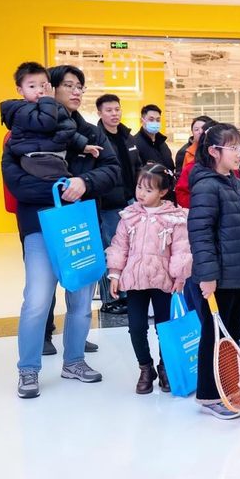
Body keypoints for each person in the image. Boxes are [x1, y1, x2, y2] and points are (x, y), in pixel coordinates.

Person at [2, 64, 120, 398]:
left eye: (80, 86)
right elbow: (16, 183)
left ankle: (75, 361)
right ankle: (28, 369)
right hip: (39, 225)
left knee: (81, 300)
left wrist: (85, 182)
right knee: (37, 299)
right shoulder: (20, 133)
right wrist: (61, 189)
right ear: (48, 89)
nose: (76, 91)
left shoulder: (90, 133)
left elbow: (112, 170)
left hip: (80, 225)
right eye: (69, 85)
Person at [188, 123, 240, 419]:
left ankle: (229, 388)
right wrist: (207, 276)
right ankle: (209, 395)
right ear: (213, 151)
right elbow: (200, 235)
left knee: (231, 337)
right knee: (213, 337)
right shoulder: (206, 186)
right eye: (233, 148)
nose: (239, 153)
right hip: (216, 279)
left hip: (238, 275)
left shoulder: (238, 184)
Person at [106, 163, 191, 394]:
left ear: (163, 192)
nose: (141, 193)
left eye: (148, 190)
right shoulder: (129, 215)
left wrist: (179, 276)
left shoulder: (175, 217)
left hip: (163, 282)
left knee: (164, 328)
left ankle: (165, 367)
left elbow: (182, 249)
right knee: (136, 327)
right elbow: (119, 245)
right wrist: (115, 273)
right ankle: (145, 368)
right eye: (139, 187)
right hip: (135, 281)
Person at [0, 62, 102, 180]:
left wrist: (83, 145)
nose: (39, 90)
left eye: (43, 86)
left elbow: (64, 132)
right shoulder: (22, 110)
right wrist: (48, 100)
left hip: (53, 157)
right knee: (62, 181)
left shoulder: (53, 110)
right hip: (35, 158)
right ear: (20, 90)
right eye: (32, 86)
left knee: (66, 180)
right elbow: (47, 124)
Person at [96, 93, 143, 314]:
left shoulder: (127, 137)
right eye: (109, 110)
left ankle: (126, 293)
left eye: (117, 109)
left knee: (129, 250)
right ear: (100, 113)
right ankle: (110, 299)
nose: (114, 114)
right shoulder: (96, 138)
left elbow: (137, 166)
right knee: (110, 250)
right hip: (108, 204)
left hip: (130, 201)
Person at [174, 117, 216, 209]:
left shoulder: (228, 165)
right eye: (196, 129)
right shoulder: (186, 156)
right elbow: (181, 189)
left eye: (203, 129)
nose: (200, 132)